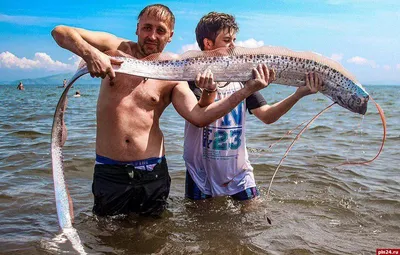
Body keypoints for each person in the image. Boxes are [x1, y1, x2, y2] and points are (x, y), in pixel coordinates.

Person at [51, 4, 274, 217]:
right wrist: (91, 54)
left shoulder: (173, 72)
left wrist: (248, 90)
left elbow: (199, 116)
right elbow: (60, 32)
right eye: (147, 28)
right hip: (110, 169)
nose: (152, 36)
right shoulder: (115, 48)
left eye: (160, 31)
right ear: (137, 28)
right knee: (107, 237)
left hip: (153, 172)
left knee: (155, 238)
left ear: (170, 36)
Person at [184, 12, 322, 201]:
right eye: (227, 40)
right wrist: (210, 90)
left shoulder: (243, 79)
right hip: (200, 172)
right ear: (208, 44)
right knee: (204, 227)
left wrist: (298, 94)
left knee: (253, 222)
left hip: (239, 172)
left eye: (234, 39)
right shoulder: (192, 78)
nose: (234, 46)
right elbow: (199, 116)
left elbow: (267, 116)